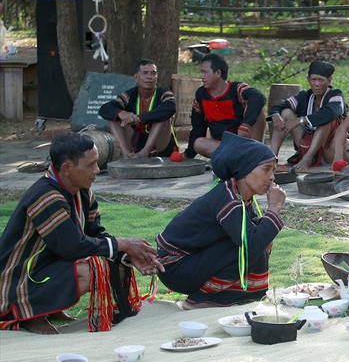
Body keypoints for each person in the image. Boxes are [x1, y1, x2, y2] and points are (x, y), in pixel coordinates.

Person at [0, 133, 163, 334]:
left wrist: (126, 254)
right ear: (67, 168)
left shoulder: (82, 190)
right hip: (17, 280)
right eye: (91, 165)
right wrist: (123, 244)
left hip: (47, 268)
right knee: (92, 271)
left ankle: (51, 308)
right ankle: (28, 315)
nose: (97, 170)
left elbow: (95, 234)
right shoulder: (46, 196)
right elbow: (72, 247)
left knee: (116, 264)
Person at [156, 133, 286, 308]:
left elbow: (260, 238)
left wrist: (269, 220)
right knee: (248, 246)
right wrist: (275, 207)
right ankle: (202, 300)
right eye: (266, 169)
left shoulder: (240, 196)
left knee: (259, 236)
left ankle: (231, 295)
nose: (272, 177)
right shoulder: (227, 198)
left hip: (191, 262)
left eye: (273, 170)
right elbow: (252, 244)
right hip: (175, 267)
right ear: (246, 169)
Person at [267, 60, 347, 171]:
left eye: (321, 80)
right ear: (308, 80)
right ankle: (271, 159)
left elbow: (332, 112)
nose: (317, 84)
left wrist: (300, 120)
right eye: (313, 80)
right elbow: (280, 106)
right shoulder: (305, 96)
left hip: (328, 148)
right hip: (306, 144)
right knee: (285, 112)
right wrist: (276, 116)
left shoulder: (336, 95)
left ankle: (307, 159)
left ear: (329, 81)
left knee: (326, 119)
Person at [184, 53, 267, 159]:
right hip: (222, 145)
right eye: (201, 72)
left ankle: (253, 153)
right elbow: (198, 128)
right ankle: (242, 157)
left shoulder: (237, 89)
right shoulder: (201, 95)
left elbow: (259, 97)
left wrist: (246, 124)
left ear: (218, 73)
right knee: (198, 143)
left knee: (257, 109)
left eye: (205, 72)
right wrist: (188, 154)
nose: (202, 77)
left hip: (245, 142)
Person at [98, 59, 177, 159]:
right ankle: (125, 153)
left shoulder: (164, 92)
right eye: (145, 73)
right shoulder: (130, 95)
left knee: (163, 116)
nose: (149, 77)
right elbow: (105, 109)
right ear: (136, 77)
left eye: (153, 73)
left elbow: (170, 108)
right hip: (135, 141)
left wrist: (139, 119)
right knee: (114, 118)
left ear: (157, 77)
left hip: (160, 144)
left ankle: (145, 152)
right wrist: (122, 113)